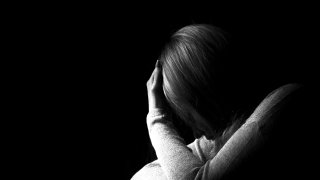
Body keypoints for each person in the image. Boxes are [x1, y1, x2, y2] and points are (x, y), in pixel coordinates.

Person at [131, 24, 305, 180]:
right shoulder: (227, 133)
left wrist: (157, 119)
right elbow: (150, 172)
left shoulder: (283, 103)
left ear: (206, 101)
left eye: (191, 119)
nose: (197, 133)